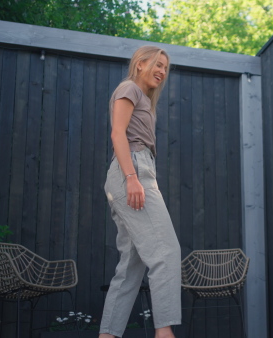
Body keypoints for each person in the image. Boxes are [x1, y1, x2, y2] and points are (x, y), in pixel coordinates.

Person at [99, 46, 181, 338]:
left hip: (137, 171)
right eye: (157, 64)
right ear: (140, 63)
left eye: (165, 68)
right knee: (167, 252)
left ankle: (107, 335)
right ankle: (164, 332)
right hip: (132, 171)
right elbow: (117, 133)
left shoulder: (142, 96)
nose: (161, 71)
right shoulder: (129, 88)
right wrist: (132, 177)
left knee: (131, 265)